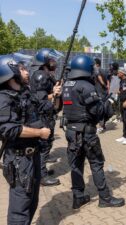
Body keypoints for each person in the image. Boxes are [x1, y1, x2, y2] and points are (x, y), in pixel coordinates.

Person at [62, 55, 124, 209]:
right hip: (86, 132)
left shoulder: (67, 84)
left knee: (76, 165)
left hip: (71, 131)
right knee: (96, 164)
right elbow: (98, 112)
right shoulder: (86, 86)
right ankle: (105, 198)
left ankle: (78, 197)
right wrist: (108, 102)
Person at [0, 54, 51, 225]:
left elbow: (42, 107)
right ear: (11, 72)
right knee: (20, 207)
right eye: (21, 68)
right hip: (19, 159)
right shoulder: (4, 98)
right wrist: (39, 133)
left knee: (32, 201)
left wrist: (56, 98)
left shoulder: (24, 92)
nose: (26, 71)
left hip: (33, 155)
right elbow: (9, 129)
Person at [30, 48, 63, 186]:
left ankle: (40, 171)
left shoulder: (46, 74)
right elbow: (39, 99)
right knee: (44, 146)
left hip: (48, 115)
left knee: (46, 144)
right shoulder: (40, 76)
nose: (54, 62)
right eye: (52, 60)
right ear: (44, 61)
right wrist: (54, 93)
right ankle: (42, 176)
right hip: (42, 117)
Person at [94, 58, 108, 133]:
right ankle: (103, 125)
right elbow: (108, 79)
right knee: (103, 108)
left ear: (97, 64)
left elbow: (99, 77)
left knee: (100, 109)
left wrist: (104, 85)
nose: (93, 65)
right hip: (104, 92)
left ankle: (100, 126)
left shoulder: (97, 70)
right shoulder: (104, 70)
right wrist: (106, 87)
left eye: (94, 64)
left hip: (99, 91)